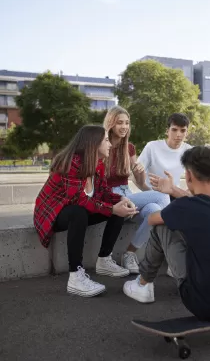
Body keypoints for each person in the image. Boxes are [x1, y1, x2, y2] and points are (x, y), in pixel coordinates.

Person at [123, 146, 210, 322]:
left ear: (187, 176)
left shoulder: (185, 208)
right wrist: (174, 191)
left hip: (205, 304)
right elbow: (202, 206)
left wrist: (170, 195)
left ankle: (143, 284)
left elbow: (151, 219)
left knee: (162, 227)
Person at [34, 125, 138, 298]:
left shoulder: (97, 165)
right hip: (53, 213)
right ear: (93, 144)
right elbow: (78, 200)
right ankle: (75, 277)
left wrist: (120, 200)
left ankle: (104, 260)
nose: (110, 145)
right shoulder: (70, 164)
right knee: (79, 212)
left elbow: (104, 193)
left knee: (119, 210)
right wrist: (111, 207)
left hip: (75, 209)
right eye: (105, 140)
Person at [103, 106, 170, 274]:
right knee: (163, 196)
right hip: (110, 196)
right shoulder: (102, 145)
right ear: (110, 124)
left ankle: (130, 253)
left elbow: (138, 181)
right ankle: (170, 250)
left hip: (127, 193)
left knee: (154, 210)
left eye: (127, 123)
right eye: (119, 123)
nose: (124, 127)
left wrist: (140, 173)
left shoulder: (129, 148)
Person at [137, 112, 192, 276]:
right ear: (167, 130)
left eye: (183, 130)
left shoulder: (190, 151)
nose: (179, 135)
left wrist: (187, 193)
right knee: (166, 211)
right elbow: (138, 177)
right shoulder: (152, 147)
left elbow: (197, 181)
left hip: (172, 193)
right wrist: (141, 180)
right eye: (175, 130)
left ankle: (176, 261)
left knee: (190, 209)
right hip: (150, 193)